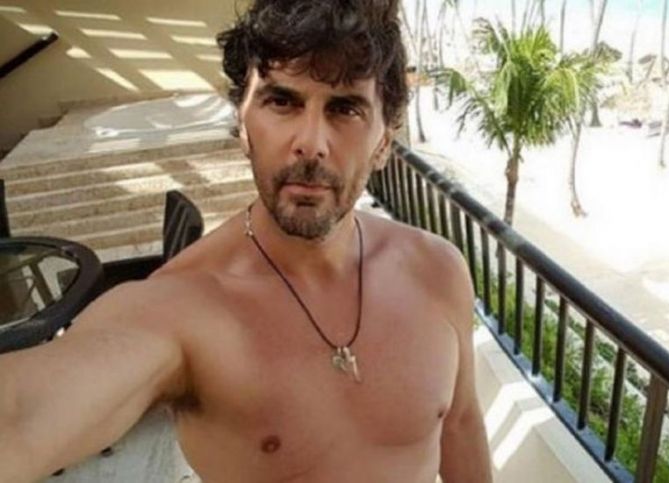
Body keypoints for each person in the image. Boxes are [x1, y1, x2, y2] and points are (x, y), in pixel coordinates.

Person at [0, 0, 493, 481]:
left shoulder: (437, 271)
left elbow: (461, 424)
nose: (311, 143)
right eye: (282, 101)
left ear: (383, 141)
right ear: (242, 122)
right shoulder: (183, 308)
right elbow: (20, 416)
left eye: (345, 108)